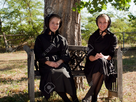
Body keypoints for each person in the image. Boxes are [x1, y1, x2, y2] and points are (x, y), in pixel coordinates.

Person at [34, 14, 79, 102]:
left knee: (64, 73)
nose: (55, 26)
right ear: (47, 23)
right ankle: (66, 99)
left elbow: (65, 54)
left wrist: (58, 62)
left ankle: (74, 98)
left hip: (60, 63)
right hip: (46, 65)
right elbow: (38, 54)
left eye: (57, 24)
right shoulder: (40, 38)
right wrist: (49, 63)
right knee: (53, 73)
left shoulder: (61, 39)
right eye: (52, 23)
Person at [82, 14, 118, 102]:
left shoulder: (112, 37)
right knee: (100, 63)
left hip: (106, 63)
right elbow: (89, 56)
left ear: (108, 23)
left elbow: (110, 56)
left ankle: (89, 96)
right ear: (97, 23)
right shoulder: (93, 37)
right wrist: (95, 57)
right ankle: (93, 98)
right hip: (92, 64)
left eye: (105, 22)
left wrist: (103, 56)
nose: (102, 24)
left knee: (101, 62)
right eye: (100, 22)